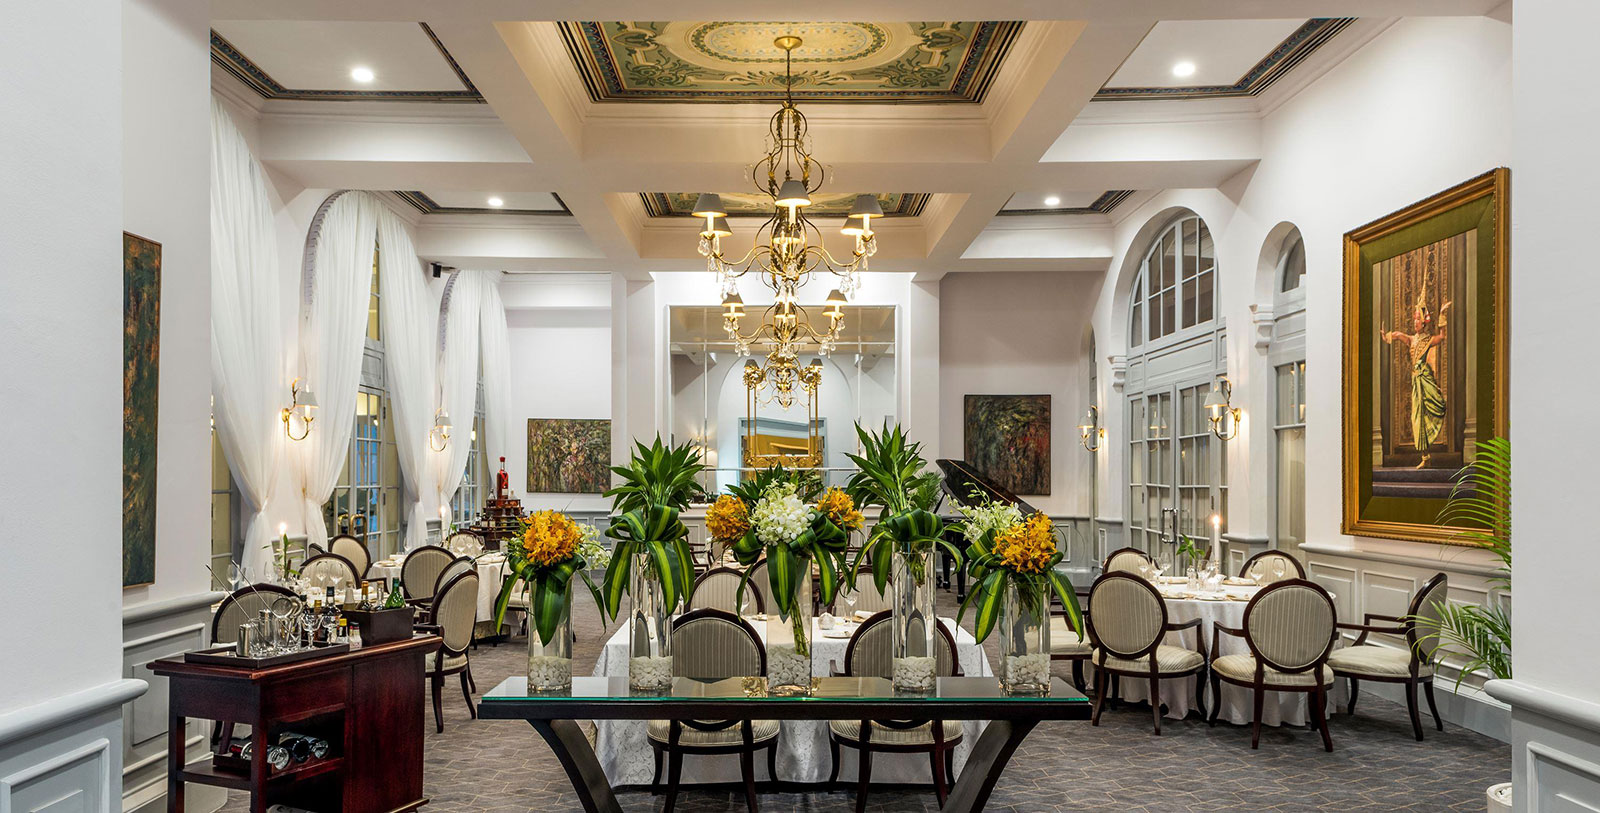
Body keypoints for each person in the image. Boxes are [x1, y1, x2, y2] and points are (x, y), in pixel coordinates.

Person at [1382, 287, 1451, 467]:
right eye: (1414, 319)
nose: (1415, 322)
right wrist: (1387, 336)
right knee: (1417, 418)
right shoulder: (1412, 340)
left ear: (1424, 323)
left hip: (1426, 380)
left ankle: (1427, 456)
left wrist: (1442, 314)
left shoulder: (1428, 340)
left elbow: (1442, 336)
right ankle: (1425, 457)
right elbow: (1399, 335)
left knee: (1436, 407)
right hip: (1417, 383)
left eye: (1418, 320)